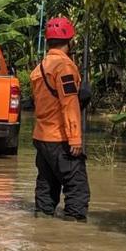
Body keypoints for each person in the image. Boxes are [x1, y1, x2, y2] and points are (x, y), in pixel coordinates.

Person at [31, 17, 89, 220]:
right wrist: (75, 138)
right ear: (70, 40)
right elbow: (69, 103)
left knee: (46, 187)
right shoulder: (64, 67)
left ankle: (43, 229)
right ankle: (71, 238)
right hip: (60, 138)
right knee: (77, 190)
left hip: (42, 137)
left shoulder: (40, 67)